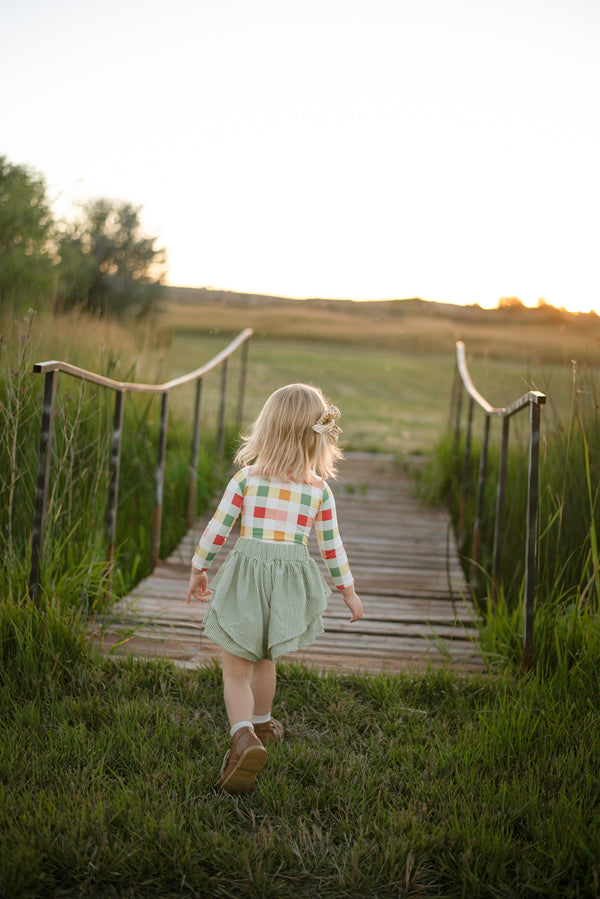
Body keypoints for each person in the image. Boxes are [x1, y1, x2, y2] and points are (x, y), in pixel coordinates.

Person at [186, 383, 363, 793]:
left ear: (266, 429)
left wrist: (199, 567)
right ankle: (263, 726)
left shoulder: (247, 479)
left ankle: (242, 737)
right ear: (318, 437)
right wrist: (348, 590)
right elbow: (331, 546)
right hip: (287, 584)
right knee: (266, 658)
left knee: (235, 667)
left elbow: (218, 528)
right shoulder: (319, 490)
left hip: (247, 579)